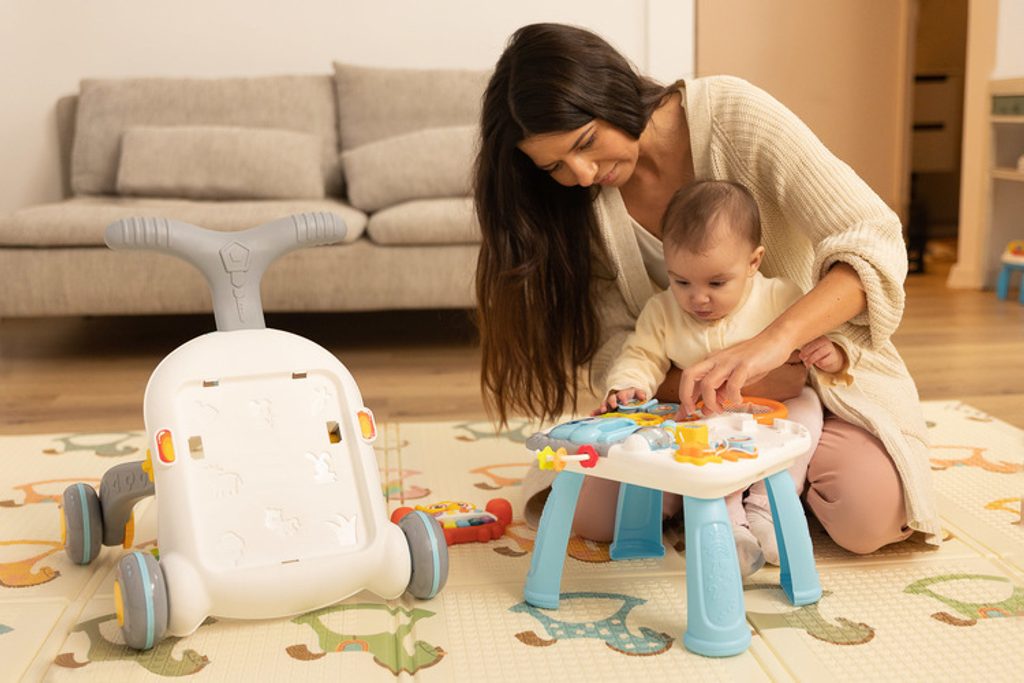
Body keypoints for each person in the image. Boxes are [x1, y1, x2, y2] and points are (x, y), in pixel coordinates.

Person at [473, 22, 940, 554]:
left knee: (868, 518)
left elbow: (871, 236)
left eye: (586, 143)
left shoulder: (733, 116)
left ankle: (768, 488)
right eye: (555, 165)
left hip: (811, 388)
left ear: (611, 92)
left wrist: (772, 346)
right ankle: (744, 492)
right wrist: (694, 388)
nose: (580, 174)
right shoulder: (578, 205)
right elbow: (611, 346)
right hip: (682, 411)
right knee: (593, 516)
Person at [596, 179, 846, 575]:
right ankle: (730, 527)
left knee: (807, 412)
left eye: (716, 283)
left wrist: (832, 354)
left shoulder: (780, 296)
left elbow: (818, 338)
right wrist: (630, 385)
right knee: (703, 436)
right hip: (710, 413)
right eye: (681, 281)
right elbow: (640, 355)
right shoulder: (662, 312)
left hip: (777, 408)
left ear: (753, 262)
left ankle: (766, 509)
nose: (698, 298)